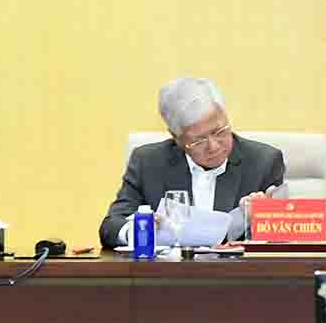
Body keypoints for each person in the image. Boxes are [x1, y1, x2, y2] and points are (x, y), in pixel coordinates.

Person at [97, 77, 287, 250]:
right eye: (199, 140)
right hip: (168, 280)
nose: (213, 146)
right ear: (176, 138)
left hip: (237, 281)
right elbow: (111, 227)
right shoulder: (148, 162)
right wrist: (140, 231)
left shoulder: (264, 161)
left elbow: (281, 240)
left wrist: (261, 218)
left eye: (219, 131)